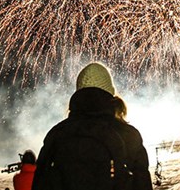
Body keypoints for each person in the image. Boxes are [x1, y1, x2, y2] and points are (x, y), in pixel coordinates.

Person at [32, 62, 152, 190]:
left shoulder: (56, 134)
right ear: (110, 93)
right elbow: (142, 183)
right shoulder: (129, 136)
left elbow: (40, 183)